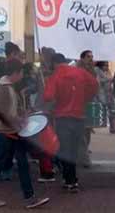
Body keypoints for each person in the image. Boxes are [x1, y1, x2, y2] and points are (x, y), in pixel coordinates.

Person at [0, 58, 50, 209]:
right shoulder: (5, 88)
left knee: (20, 163)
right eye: (21, 73)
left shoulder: (9, 87)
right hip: (5, 132)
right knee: (0, 164)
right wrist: (21, 120)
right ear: (16, 73)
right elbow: (2, 113)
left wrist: (22, 115)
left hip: (12, 131)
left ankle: (29, 197)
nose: (22, 75)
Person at [40, 52, 97, 191]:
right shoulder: (80, 72)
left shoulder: (56, 76)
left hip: (63, 117)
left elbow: (48, 96)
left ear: (54, 64)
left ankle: (69, 179)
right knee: (74, 148)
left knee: (65, 149)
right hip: (79, 115)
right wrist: (85, 98)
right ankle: (72, 178)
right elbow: (94, 85)